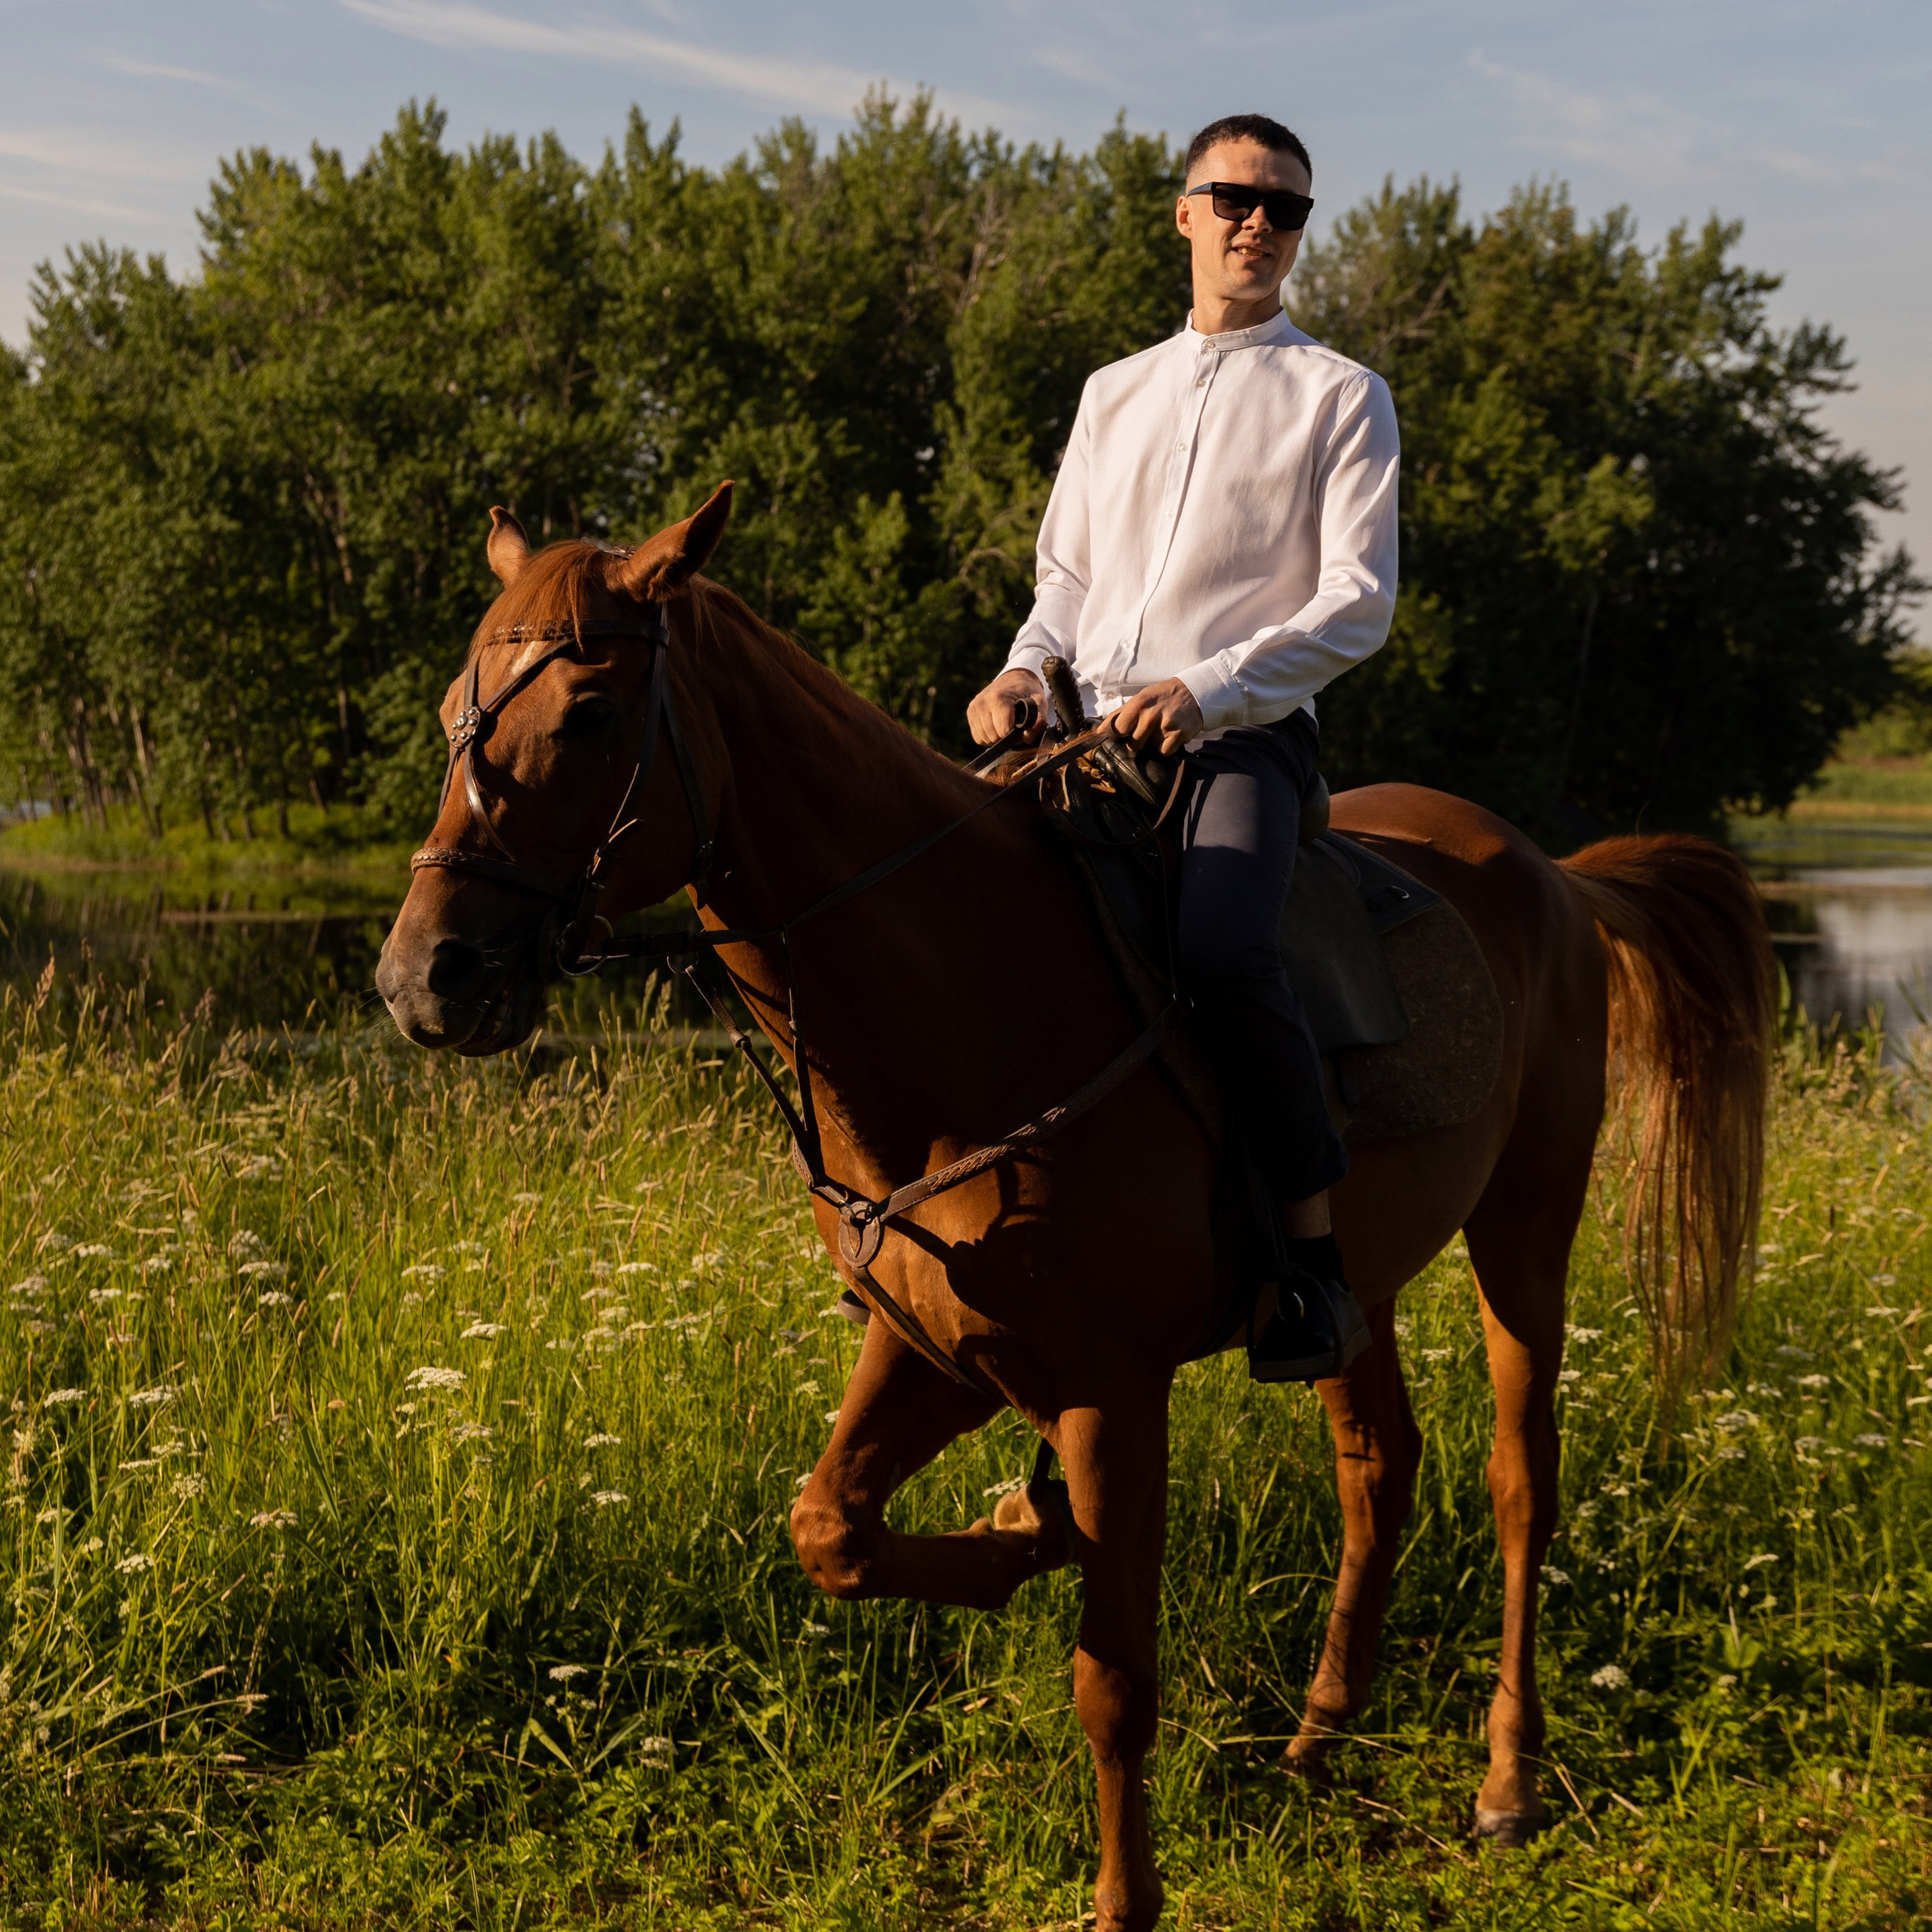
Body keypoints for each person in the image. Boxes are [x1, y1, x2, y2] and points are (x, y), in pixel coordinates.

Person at [966, 112, 1400, 1382]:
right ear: (1186, 213)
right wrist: (1021, 665)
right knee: (949, 911)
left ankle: (1310, 1267)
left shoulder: (1342, 396)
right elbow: (1066, 578)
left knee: (1218, 947)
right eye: (1235, 198)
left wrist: (1209, 690)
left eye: (1286, 209)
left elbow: (1354, 606)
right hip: (1083, 735)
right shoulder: (1115, 391)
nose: (1258, 223)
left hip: (1243, 745)